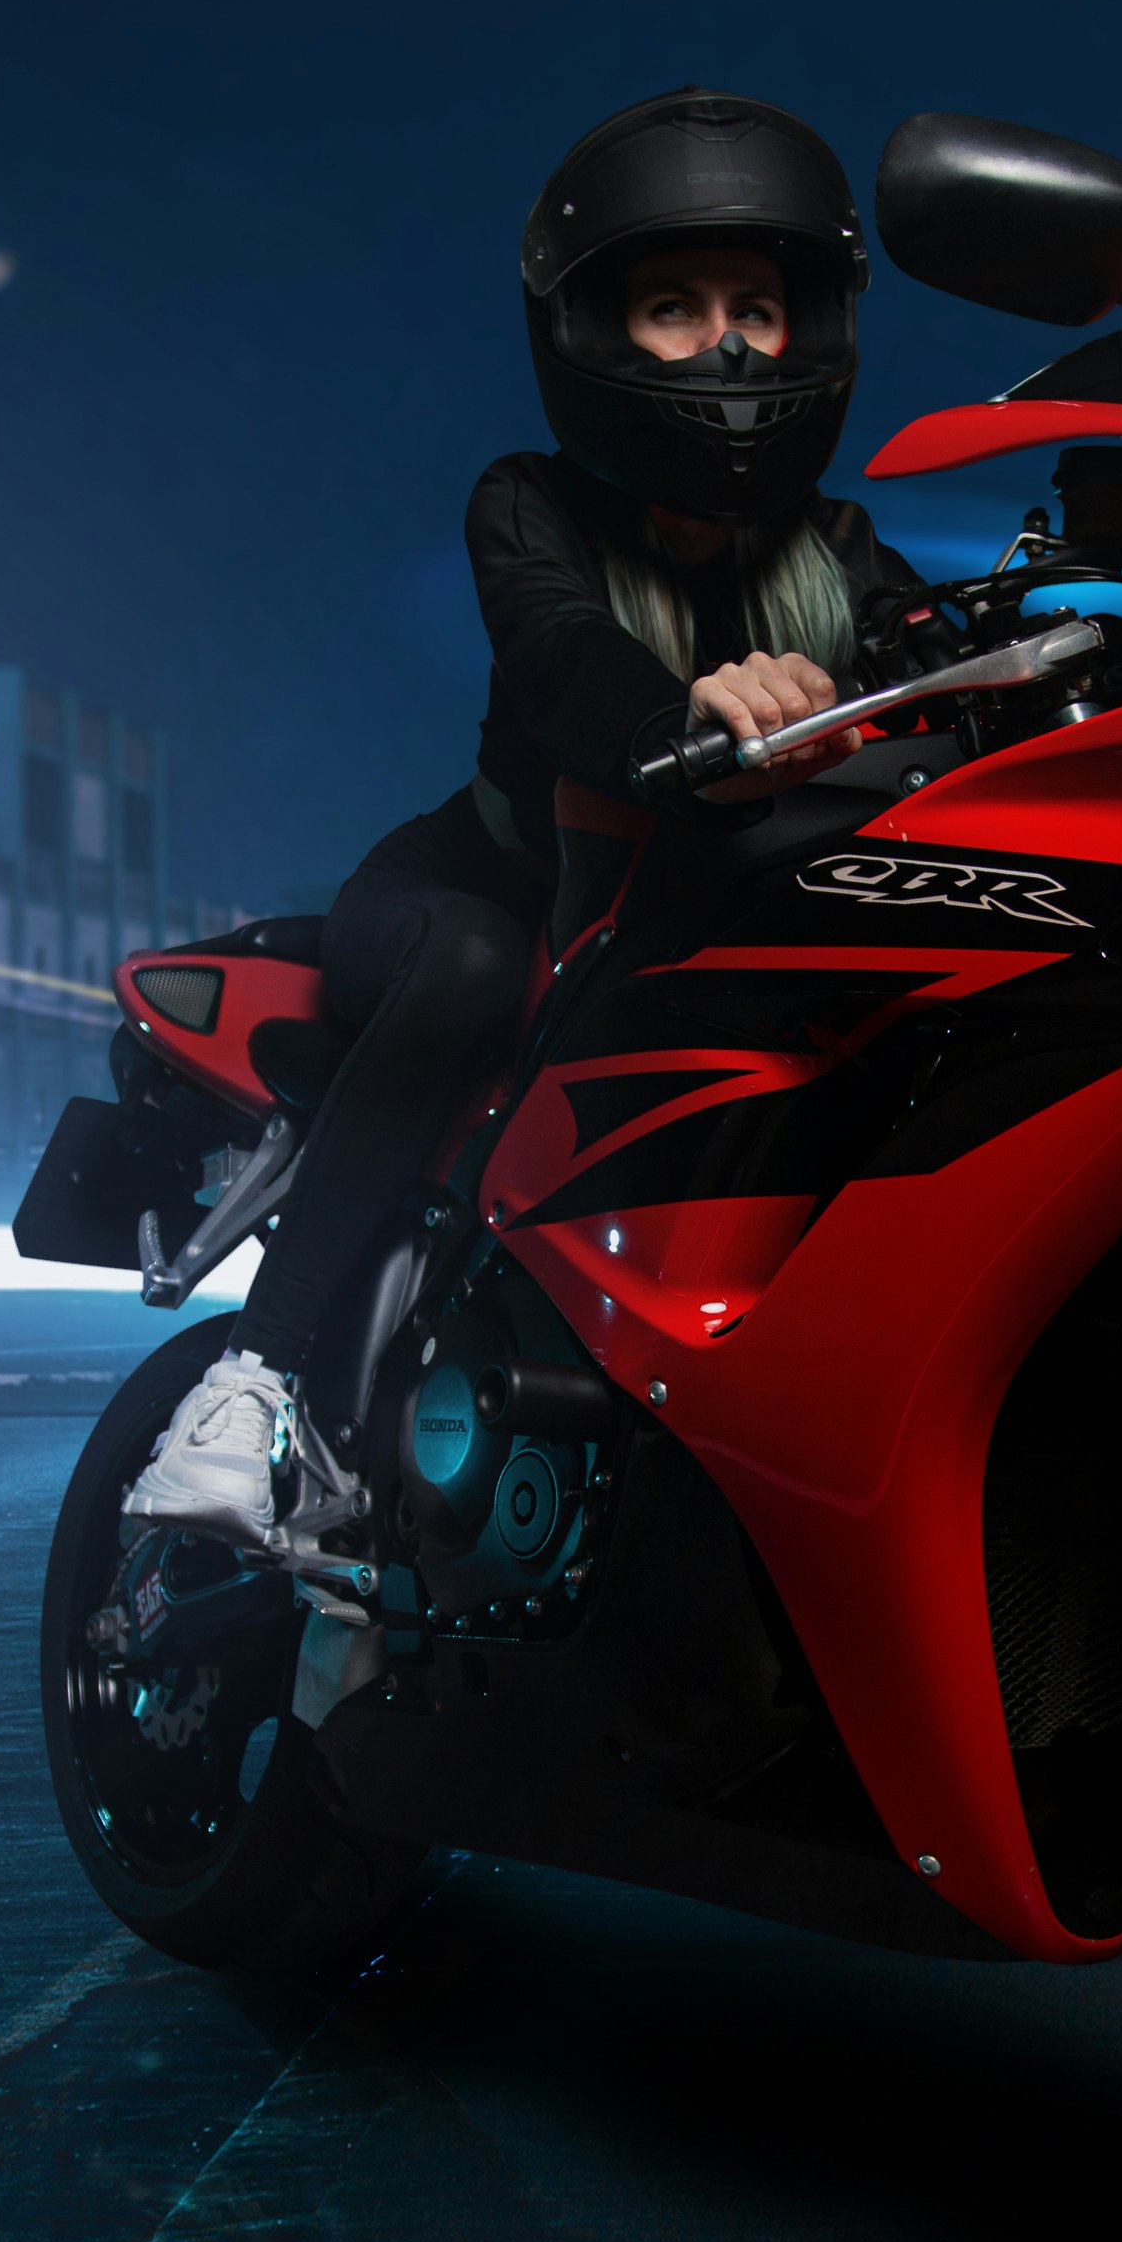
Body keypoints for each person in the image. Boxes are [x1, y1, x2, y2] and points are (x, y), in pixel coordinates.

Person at [123, 88, 931, 1536]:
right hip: (482, 888)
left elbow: (939, 661)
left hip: (678, 923)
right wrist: (685, 713)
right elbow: (563, 654)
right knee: (469, 968)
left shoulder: (844, 550)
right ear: (595, 335)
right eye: (676, 307)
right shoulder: (531, 503)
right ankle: (247, 1390)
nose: (730, 342)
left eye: (757, 302)